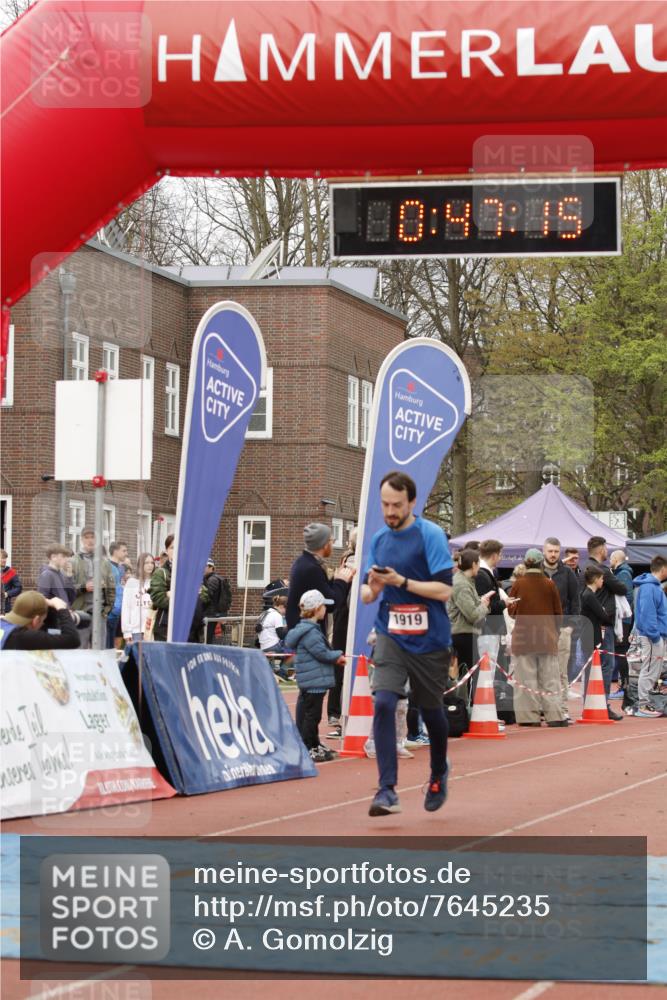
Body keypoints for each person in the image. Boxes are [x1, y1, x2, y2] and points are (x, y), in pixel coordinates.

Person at [361, 471, 454, 817]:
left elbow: (444, 591)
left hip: (429, 638)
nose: (390, 511)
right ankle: (387, 790)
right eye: (385, 504)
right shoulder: (379, 539)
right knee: (383, 702)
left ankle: (438, 771)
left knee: (431, 711)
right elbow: (369, 593)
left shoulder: (429, 535)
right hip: (391, 633)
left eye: (396, 505)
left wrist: (402, 581)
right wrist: (371, 589)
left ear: (412, 503)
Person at [284, 590, 345, 763]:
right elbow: (321, 653)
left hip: (310, 680)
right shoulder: (311, 632)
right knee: (313, 716)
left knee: (309, 714)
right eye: (324, 606)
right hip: (315, 681)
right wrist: (338, 655)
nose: (325, 609)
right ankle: (309, 746)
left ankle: (312, 743)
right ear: (318, 608)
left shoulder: (306, 630)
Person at [507, 548, 565, 727]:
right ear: (541, 564)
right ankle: (554, 716)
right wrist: (555, 632)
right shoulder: (549, 584)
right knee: (550, 680)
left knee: (526, 681)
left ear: (526, 563)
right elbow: (558, 613)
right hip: (546, 638)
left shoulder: (518, 584)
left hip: (524, 638)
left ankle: (528, 718)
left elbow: (511, 611)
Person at [584, 536, 627, 720]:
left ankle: (590, 701)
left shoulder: (583, 569)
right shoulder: (603, 571)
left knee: (591, 665)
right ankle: (603, 704)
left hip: (588, 623)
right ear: (602, 550)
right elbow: (622, 588)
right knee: (606, 665)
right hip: (604, 623)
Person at [285, 523, 354, 631]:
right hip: (307, 634)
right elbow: (331, 602)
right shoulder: (311, 568)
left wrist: (334, 579)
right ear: (325, 544)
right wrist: (342, 581)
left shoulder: (303, 562)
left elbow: (322, 590)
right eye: (332, 541)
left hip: (301, 630)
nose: (333, 544)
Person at [542, 537, 580, 721]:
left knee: (561, 671)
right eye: (550, 551)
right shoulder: (536, 572)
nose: (553, 554)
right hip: (539, 629)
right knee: (541, 669)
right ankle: (544, 707)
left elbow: (576, 600)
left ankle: (562, 708)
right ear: (544, 551)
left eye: (556, 551)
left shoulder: (567, 574)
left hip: (562, 628)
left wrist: (571, 626)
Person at [329, 528, 358, 734]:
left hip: (346, 617)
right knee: (340, 664)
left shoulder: (349, 561)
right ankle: (335, 712)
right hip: (345, 618)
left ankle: (337, 711)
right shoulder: (350, 563)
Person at [631, 556, 667, 718]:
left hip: (655, 635)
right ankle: (643, 704)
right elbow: (647, 613)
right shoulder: (649, 588)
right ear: (663, 569)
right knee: (649, 669)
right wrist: (655, 636)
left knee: (652, 669)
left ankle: (646, 703)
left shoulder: (653, 587)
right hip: (653, 636)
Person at [448, 549, 491, 684]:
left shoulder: (465, 581)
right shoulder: (462, 585)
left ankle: (466, 702)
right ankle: (466, 704)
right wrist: (484, 605)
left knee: (467, 677)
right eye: (478, 564)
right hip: (463, 635)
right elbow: (472, 615)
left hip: (464, 634)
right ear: (473, 564)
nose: (479, 567)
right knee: (468, 678)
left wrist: (480, 601)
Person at [71, 527, 116, 648]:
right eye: (87, 537)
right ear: (81, 539)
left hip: (99, 613)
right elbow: (67, 589)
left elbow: (112, 588)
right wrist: (83, 587)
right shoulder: (73, 562)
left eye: (93, 537)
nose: (90, 541)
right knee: (80, 649)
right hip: (81, 612)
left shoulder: (105, 563)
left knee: (100, 650)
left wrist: (106, 610)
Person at [0, 591, 81, 650]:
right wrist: (61, 608)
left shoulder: (2, 623)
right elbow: (72, 639)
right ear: (36, 620)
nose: (43, 624)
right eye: (43, 621)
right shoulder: (23, 637)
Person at [475, 539, 509, 668]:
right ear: (494, 555)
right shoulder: (482, 575)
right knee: (487, 669)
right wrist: (504, 603)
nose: (500, 558)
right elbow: (487, 606)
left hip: (490, 629)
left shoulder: (484, 573)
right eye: (500, 555)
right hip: (487, 630)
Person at [610, 549, 634, 695]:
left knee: (621, 650)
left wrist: (620, 610)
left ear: (615, 559)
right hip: (622, 618)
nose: (610, 562)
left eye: (611, 559)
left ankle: (625, 686)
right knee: (620, 651)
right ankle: (624, 685)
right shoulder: (621, 573)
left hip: (623, 619)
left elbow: (627, 596)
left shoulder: (623, 574)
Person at [580, 566, 614, 661]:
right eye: (601, 578)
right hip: (590, 636)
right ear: (595, 579)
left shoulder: (586, 593)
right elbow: (603, 615)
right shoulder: (589, 595)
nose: (603, 581)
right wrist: (604, 612)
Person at [121, 552, 156, 643]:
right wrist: (127, 632)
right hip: (135, 630)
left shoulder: (156, 582)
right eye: (147, 563)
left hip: (152, 629)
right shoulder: (132, 582)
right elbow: (126, 608)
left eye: (152, 563)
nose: (150, 565)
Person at [258, 594, 290, 678]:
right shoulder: (277, 615)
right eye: (287, 609)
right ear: (282, 606)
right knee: (293, 650)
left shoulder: (264, 613)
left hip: (263, 646)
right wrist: (289, 627)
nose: (287, 612)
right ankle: (282, 672)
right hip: (273, 646)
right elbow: (281, 635)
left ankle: (276, 670)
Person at [149, 534, 174, 641]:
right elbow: (158, 598)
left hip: (190, 626)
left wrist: (173, 595)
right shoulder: (161, 572)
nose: (176, 550)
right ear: (167, 551)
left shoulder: (192, 571)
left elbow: (204, 595)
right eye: (172, 547)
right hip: (165, 626)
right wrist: (181, 600)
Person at [201, 559, 233, 642]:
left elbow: (208, 596)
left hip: (211, 614)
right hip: (213, 613)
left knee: (207, 638)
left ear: (211, 567)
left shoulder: (212, 580)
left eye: (204, 566)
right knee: (208, 637)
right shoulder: (210, 578)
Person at [106, 541, 129, 648]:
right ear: (115, 551)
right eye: (123, 551)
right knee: (107, 645)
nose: (126, 553)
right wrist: (111, 608)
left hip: (118, 611)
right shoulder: (107, 567)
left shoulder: (121, 568)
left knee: (113, 647)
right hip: (110, 613)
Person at [1, 549, 22, 614]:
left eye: (5, 558)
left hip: (5, 608)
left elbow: (18, 588)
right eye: (2, 558)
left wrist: (7, 594)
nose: (4, 560)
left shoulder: (10, 572)